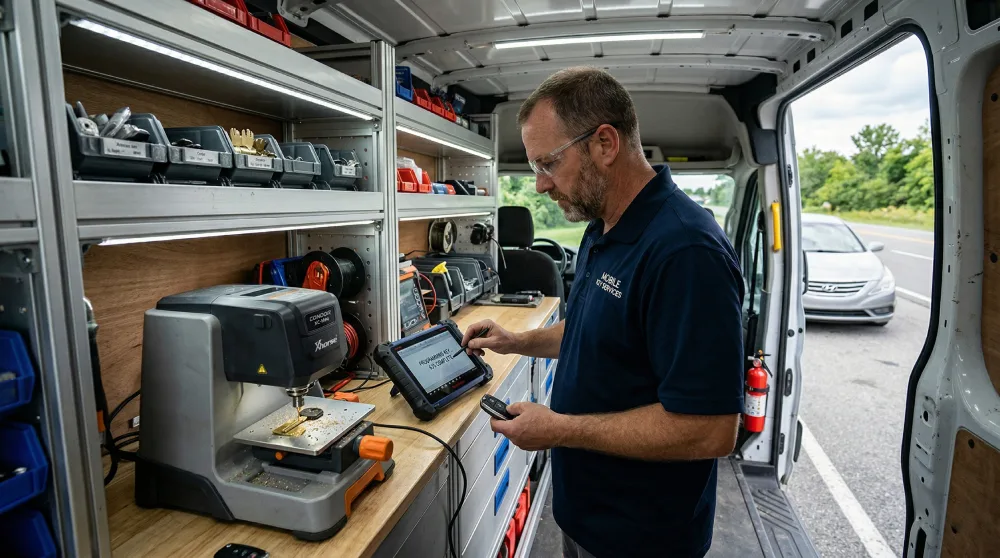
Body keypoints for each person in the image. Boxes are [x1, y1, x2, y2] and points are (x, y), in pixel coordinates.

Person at [462, 67, 745, 558]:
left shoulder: (686, 252)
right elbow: (600, 327)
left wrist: (560, 428)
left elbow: (711, 428)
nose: (538, 186)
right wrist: (517, 341)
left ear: (605, 144)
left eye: (547, 164)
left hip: (642, 537)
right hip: (586, 514)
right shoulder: (604, 225)